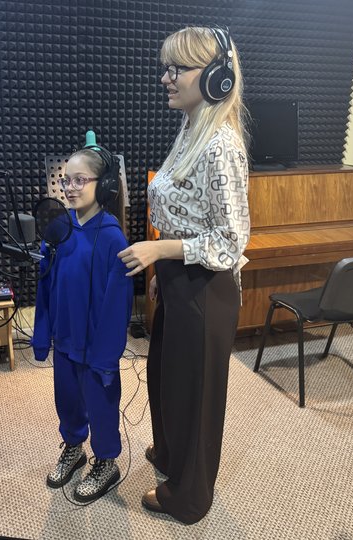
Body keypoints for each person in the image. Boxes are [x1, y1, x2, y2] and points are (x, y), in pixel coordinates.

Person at [117, 26, 250, 524]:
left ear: (216, 78)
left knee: (197, 396)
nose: (166, 78)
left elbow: (230, 241)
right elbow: (187, 212)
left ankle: (189, 498)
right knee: (166, 378)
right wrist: (164, 268)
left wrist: (159, 250)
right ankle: (171, 455)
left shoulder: (221, 145)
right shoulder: (191, 127)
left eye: (178, 69)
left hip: (206, 288)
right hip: (179, 277)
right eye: (165, 68)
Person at [32, 135, 133, 503]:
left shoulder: (113, 240)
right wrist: (42, 336)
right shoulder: (59, 231)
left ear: (102, 186)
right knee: (68, 400)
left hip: (96, 349)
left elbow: (117, 307)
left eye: (79, 180)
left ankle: (106, 461)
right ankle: (74, 448)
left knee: (101, 406)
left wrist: (106, 358)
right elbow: (45, 287)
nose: (70, 188)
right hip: (65, 339)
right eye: (66, 180)